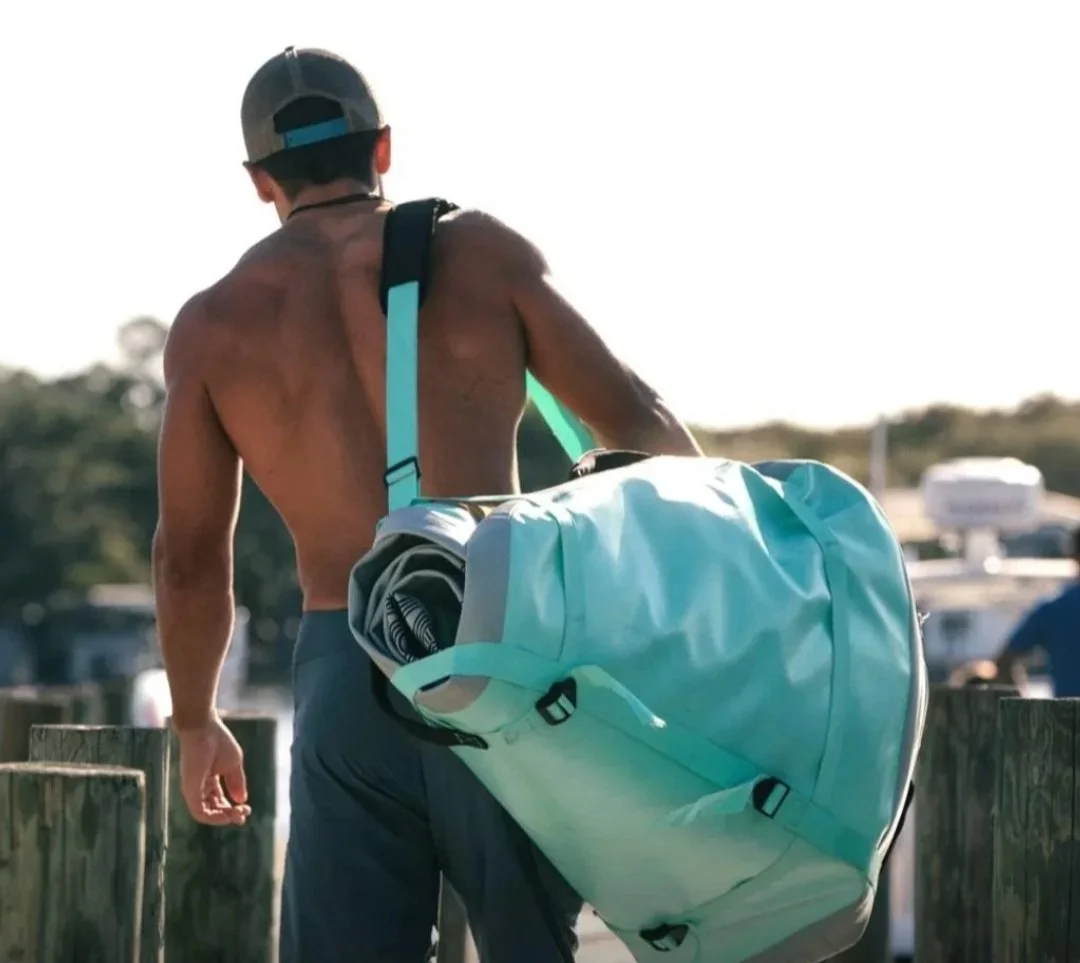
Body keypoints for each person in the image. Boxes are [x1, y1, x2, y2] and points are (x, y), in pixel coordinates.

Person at [152, 45, 703, 963]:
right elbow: (637, 422)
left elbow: (188, 558)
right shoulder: (480, 254)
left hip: (344, 672)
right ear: (384, 148)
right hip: (507, 652)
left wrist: (195, 721)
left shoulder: (214, 324)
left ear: (258, 182)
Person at [995, 525, 1080, 695]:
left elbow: (1005, 660)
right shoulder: (1053, 607)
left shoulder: (1053, 608)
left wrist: (1022, 704)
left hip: (1065, 717)